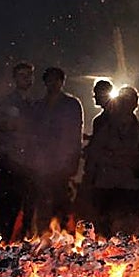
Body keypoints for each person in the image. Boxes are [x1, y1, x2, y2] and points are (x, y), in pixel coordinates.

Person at [80, 81, 139, 237]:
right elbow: (95, 151)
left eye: (132, 101)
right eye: (125, 100)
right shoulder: (106, 125)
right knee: (104, 224)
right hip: (107, 180)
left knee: (126, 224)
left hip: (129, 183)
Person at [27, 66, 85, 234]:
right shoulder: (38, 106)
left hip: (63, 162)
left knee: (62, 202)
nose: (53, 83)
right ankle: (43, 236)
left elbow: (75, 133)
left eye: (56, 80)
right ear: (45, 82)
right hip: (42, 163)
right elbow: (33, 134)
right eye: (49, 80)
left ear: (62, 82)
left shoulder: (71, 105)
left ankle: (64, 237)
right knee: (42, 202)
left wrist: (74, 160)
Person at [0, 61, 37, 243]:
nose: (26, 79)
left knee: (20, 207)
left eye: (28, 75)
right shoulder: (6, 102)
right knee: (2, 206)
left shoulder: (33, 105)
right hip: (7, 160)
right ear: (15, 78)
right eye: (22, 75)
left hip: (27, 163)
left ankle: (10, 246)